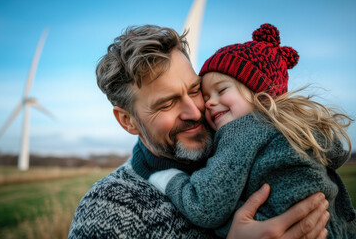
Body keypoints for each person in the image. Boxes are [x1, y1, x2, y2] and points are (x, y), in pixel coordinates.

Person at [69, 24, 331, 238]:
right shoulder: (108, 209)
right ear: (127, 120)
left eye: (195, 90)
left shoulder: (261, 151)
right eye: (167, 103)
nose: (195, 112)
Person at [146, 24, 356, 238]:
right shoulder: (298, 130)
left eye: (222, 90)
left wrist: (170, 179)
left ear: (262, 95)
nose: (209, 103)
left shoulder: (242, 131)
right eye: (206, 96)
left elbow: (205, 207)